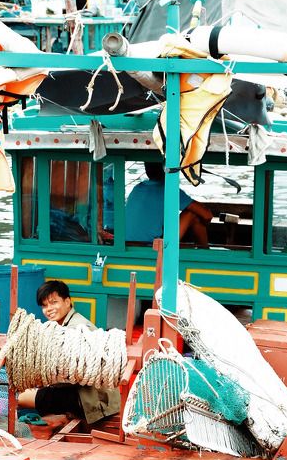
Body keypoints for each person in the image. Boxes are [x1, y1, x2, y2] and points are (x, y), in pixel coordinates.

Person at [17, 280, 121, 424]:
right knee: (36, 391)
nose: (49, 309)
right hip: (94, 396)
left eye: (54, 302)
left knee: (21, 397)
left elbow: (72, 375)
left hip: (91, 400)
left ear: (67, 302)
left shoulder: (75, 330)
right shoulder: (66, 324)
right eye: (45, 305)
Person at [125, 161, 213, 248]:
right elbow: (207, 215)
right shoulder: (169, 190)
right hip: (151, 247)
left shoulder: (137, 188)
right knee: (191, 214)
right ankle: (206, 252)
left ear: (146, 170)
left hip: (127, 245)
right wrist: (202, 223)